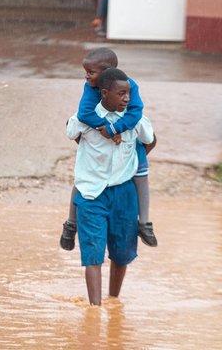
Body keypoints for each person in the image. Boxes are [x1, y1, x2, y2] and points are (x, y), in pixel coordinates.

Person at [66, 68, 155, 305]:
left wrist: (134, 160)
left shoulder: (135, 121)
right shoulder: (86, 118)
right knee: (92, 255)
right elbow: (71, 130)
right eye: (121, 94)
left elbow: (150, 139)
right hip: (92, 194)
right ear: (104, 93)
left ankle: (114, 301)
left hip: (124, 193)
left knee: (122, 253)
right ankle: (94, 309)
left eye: (128, 93)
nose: (127, 99)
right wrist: (89, 148)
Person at [60, 48, 157, 252]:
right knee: (83, 177)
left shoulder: (130, 87)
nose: (86, 76)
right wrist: (103, 128)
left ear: (106, 71)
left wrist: (116, 130)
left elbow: (136, 112)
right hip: (104, 139)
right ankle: (71, 224)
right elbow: (85, 113)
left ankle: (145, 223)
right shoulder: (90, 87)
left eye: (90, 72)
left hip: (130, 142)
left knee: (141, 176)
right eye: (85, 71)